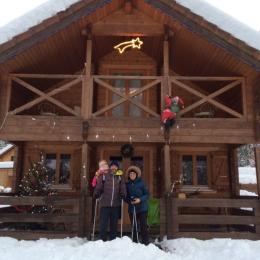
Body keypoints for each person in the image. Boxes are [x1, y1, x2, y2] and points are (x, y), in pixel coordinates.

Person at [94, 160, 126, 241]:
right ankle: (102, 240)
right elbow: (99, 186)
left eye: (115, 166)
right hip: (105, 204)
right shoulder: (104, 176)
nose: (114, 167)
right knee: (103, 224)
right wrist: (96, 193)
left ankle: (113, 240)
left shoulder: (120, 176)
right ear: (110, 167)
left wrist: (123, 194)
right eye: (112, 166)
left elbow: (123, 187)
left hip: (115, 204)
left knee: (114, 224)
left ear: (117, 168)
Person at [126, 166, 149, 245]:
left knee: (143, 226)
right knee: (134, 226)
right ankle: (135, 243)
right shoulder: (127, 184)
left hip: (142, 208)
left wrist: (140, 199)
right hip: (132, 208)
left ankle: (145, 243)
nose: (132, 175)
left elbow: (147, 194)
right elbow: (126, 196)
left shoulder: (142, 183)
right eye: (130, 173)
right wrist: (129, 201)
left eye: (133, 173)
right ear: (129, 175)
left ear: (136, 174)